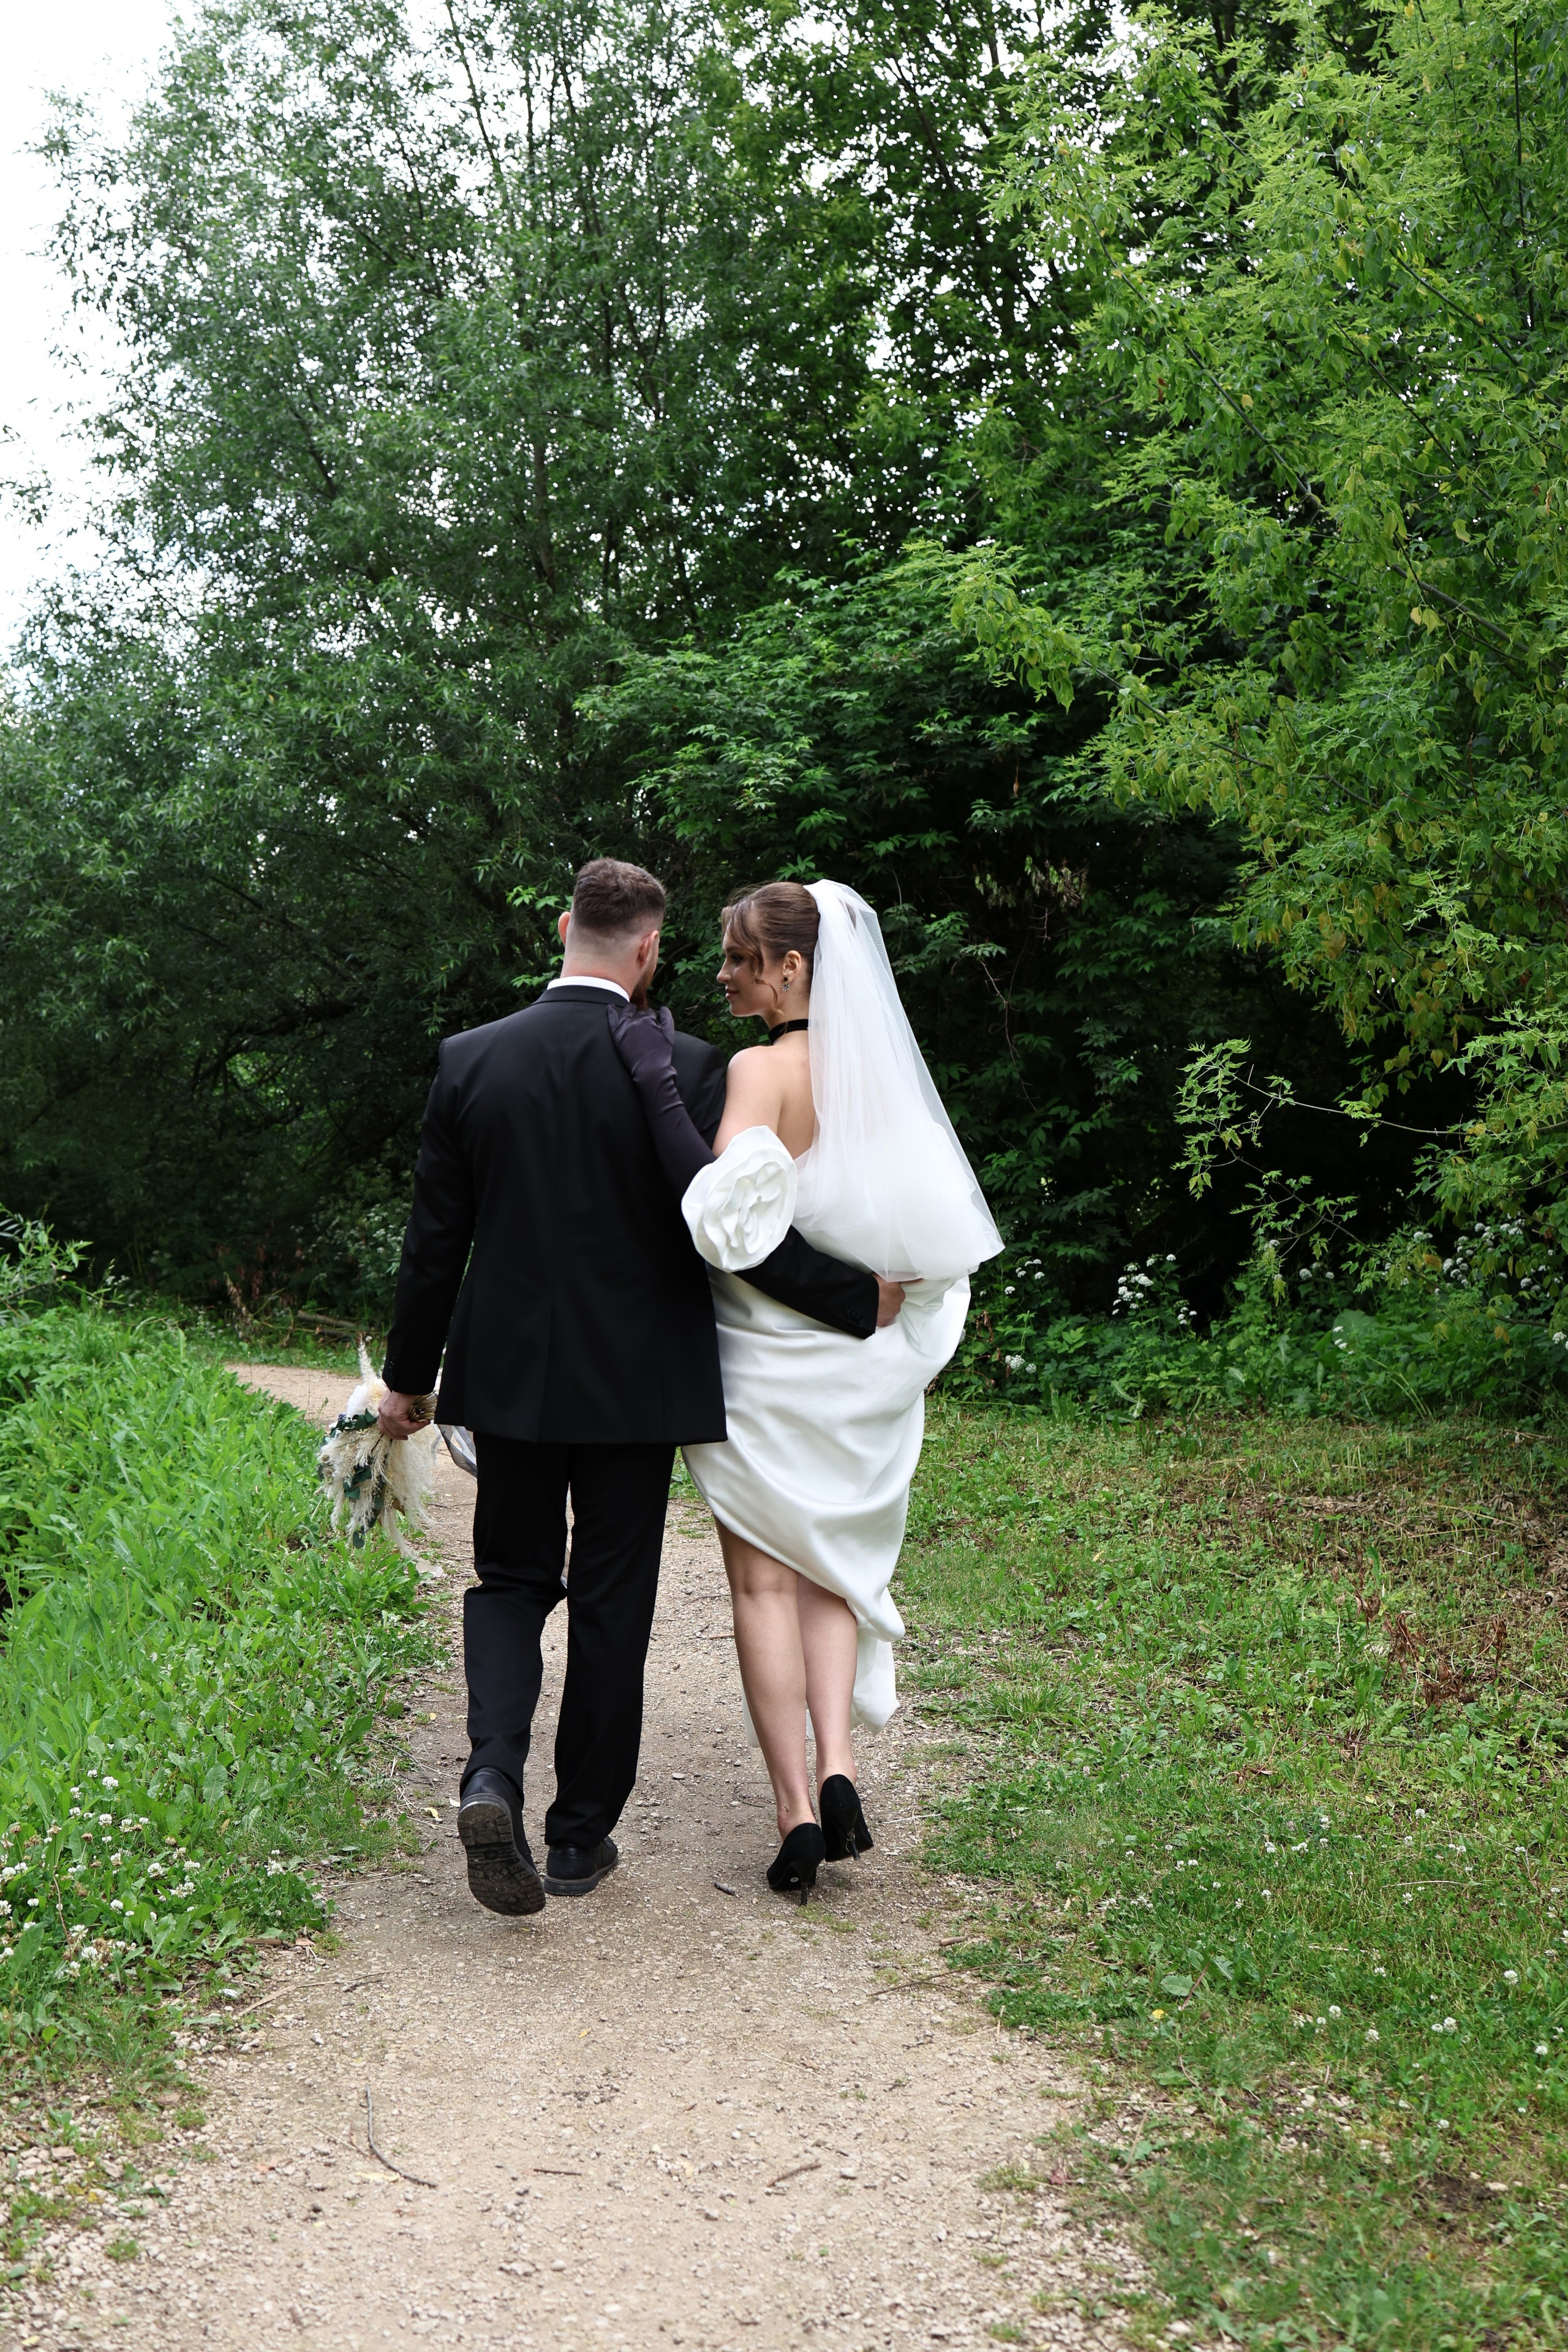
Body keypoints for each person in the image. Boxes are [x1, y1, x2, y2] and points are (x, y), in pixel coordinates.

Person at [374, 859, 904, 1918]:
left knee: (511, 1580)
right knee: (615, 1600)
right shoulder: (695, 1064)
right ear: (650, 949)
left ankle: (490, 1775)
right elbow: (735, 1236)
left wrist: (408, 1382)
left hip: (512, 1378)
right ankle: (580, 1838)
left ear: (566, 928)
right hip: (636, 1382)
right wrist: (860, 1299)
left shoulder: (472, 1060)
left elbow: (436, 1245)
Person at [608, 880, 1001, 1899]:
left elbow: (732, 1230)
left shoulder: (760, 1071)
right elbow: (926, 1240)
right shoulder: (885, 1085)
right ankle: (841, 1767)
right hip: (861, 1377)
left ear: (793, 969)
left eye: (743, 959)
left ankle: (793, 1809)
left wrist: (660, 1098)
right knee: (829, 1575)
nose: (728, 973)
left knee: (761, 1584)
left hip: (765, 1365)